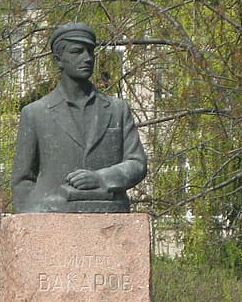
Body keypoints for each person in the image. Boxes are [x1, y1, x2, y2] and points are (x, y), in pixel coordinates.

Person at [11, 22, 147, 213]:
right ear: (59, 60)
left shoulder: (117, 109)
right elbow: (22, 181)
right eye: (77, 52)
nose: (87, 58)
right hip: (52, 216)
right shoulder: (35, 113)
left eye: (90, 51)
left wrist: (101, 178)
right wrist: (32, 226)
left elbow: (137, 163)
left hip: (109, 212)